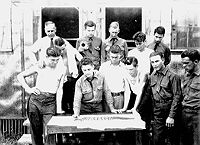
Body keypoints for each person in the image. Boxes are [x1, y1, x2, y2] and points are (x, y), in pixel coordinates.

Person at [17, 45, 64, 145]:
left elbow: (60, 89)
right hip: (35, 102)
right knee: (36, 132)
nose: (55, 62)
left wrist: (58, 108)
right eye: (52, 60)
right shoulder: (40, 66)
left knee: (50, 131)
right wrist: (28, 89)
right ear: (46, 57)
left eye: (57, 60)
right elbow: (20, 76)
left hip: (50, 102)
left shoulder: (62, 69)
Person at [137, 51, 182, 145]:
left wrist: (171, 116)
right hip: (157, 112)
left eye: (157, 61)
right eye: (152, 62)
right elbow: (147, 95)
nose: (154, 64)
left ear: (163, 60)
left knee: (172, 140)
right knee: (156, 140)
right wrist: (137, 110)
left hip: (170, 111)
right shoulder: (152, 76)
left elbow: (177, 97)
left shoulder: (173, 76)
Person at [72, 57, 117, 145]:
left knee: (97, 132)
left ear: (93, 67)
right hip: (85, 108)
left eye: (89, 69)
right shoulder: (79, 82)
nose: (87, 72)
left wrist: (112, 108)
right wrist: (76, 113)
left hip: (98, 107)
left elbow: (107, 92)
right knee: (85, 133)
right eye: (84, 70)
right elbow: (77, 99)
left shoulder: (101, 77)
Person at [53, 37, 83, 114]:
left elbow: (81, 58)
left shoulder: (71, 50)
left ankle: (72, 110)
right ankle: (59, 109)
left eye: (63, 48)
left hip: (71, 75)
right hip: (59, 75)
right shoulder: (54, 55)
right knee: (61, 93)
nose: (62, 51)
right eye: (60, 49)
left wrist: (78, 67)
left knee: (71, 93)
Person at [99, 45, 131, 113]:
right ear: (108, 55)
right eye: (112, 57)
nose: (114, 59)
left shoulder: (124, 67)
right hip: (106, 98)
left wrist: (125, 107)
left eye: (116, 57)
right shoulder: (104, 67)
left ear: (121, 55)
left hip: (119, 98)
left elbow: (127, 88)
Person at [180, 49, 200, 145]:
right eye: (182, 63)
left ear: (196, 62)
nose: (184, 66)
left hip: (197, 115)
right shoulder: (185, 75)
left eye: (187, 63)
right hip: (184, 113)